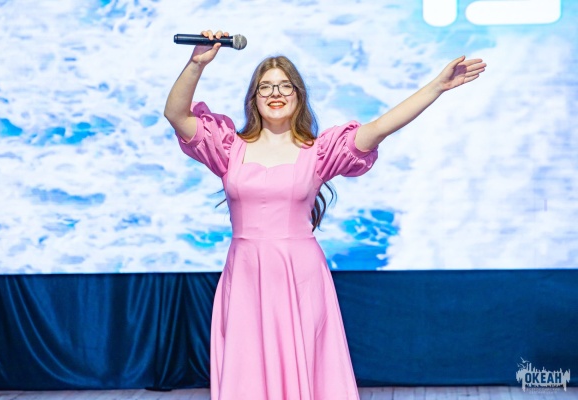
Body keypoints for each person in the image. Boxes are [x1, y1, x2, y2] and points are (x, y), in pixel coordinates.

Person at [164, 29, 486, 400]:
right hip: (246, 277)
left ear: (299, 96)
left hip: (301, 278)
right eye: (265, 87)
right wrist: (197, 63)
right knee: (248, 373)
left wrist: (437, 87)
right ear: (253, 99)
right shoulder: (227, 148)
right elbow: (176, 114)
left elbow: (380, 127)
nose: (275, 93)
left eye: (285, 86)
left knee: (308, 369)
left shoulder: (319, 152)